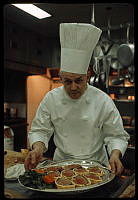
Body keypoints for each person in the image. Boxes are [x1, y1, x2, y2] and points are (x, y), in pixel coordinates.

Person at [24, 23, 130, 175]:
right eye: (67, 81)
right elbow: (40, 130)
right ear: (60, 78)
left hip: (96, 166)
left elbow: (116, 135)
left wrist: (115, 154)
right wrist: (38, 148)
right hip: (61, 165)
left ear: (88, 76)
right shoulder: (51, 99)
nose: (73, 87)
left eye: (79, 80)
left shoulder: (102, 100)